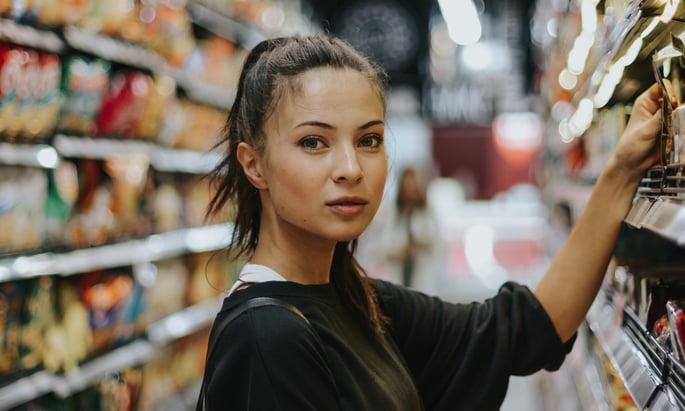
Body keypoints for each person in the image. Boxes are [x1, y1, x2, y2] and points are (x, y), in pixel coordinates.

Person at [200, 34, 662, 410]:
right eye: (314, 143)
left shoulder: (358, 301)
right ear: (253, 164)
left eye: (369, 140)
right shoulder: (267, 338)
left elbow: (529, 328)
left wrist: (622, 170)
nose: (350, 168)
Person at [381, 166, 441, 292]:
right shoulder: (392, 215)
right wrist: (399, 251)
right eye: (407, 186)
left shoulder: (428, 214)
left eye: (413, 186)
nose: (410, 190)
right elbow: (380, 248)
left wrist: (419, 245)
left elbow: (439, 245)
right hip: (398, 275)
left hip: (422, 276)